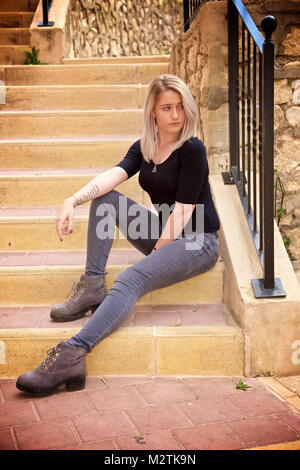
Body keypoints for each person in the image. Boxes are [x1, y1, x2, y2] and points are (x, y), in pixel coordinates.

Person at [16, 74, 220, 397]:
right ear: (152, 110)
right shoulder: (146, 147)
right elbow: (114, 175)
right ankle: (93, 286)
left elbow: (183, 212)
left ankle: (72, 355)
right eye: (167, 107)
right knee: (107, 198)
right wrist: (72, 199)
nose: (176, 115)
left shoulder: (192, 149)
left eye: (181, 106)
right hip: (166, 233)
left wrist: (156, 257)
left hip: (198, 240)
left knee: (130, 280)